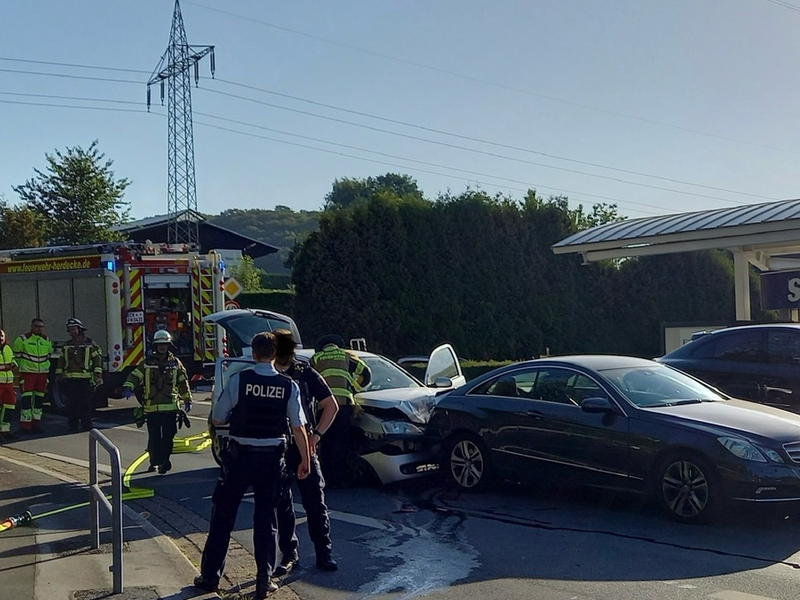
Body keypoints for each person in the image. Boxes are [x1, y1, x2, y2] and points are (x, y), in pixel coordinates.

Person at [194, 332, 311, 600]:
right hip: (271, 460)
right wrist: (305, 460)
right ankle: (263, 581)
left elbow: (219, 418)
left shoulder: (240, 380)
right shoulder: (287, 385)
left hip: (239, 458)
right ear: (273, 354)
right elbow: (298, 426)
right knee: (266, 520)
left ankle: (210, 577)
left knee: (223, 516)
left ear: (253, 353)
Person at [272, 328, 339, 575]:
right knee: (282, 504)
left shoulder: (304, 372)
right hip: (278, 446)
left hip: (303, 446)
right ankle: (289, 556)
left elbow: (330, 405)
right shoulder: (267, 373)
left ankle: (324, 553)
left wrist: (317, 434)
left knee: (315, 502)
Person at [123, 330, 192, 474]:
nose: (162, 347)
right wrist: (128, 387)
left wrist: (187, 399)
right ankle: (154, 461)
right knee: (154, 438)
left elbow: (182, 382)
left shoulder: (175, 363)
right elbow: (135, 376)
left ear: (168, 345)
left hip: (170, 407)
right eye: (160, 344)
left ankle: (164, 461)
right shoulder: (147, 363)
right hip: (152, 408)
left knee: (168, 437)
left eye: (165, 344)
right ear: (156, 345)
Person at [310, 334, 371, 487]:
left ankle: (325, 478)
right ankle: (338, 478)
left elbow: (309, 381)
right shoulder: (347, 355)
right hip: (344, 404)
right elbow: (366, 374)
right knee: (340, 441)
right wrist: (353, 387)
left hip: (323, 406)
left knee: (325, 440)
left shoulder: (317, 358)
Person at [55, 318, 103, 432]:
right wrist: (58, 374)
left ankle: (87, 425)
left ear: (80, 329)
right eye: (70, 329)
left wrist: (97, 375)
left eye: (74, 329)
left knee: (85, 404)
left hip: (85, 380)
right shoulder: (67, 346)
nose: (72, 331)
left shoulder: (90, 343)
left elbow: (97, 359)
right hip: (70, 380)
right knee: (71, 405)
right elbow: (61, 361)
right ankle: (72, 425)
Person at [13, 318, 53, 434]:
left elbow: (48, 356)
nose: (39, 329)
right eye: (36, 326)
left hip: (42, 375)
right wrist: (23, 369)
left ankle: (36, 424)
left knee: (39, 402)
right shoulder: (22, 340)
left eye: (41, 326)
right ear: (31, 326)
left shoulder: (46, 340)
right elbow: (17, 357)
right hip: (28, 374)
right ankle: (25, 426)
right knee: (26, 401)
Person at [0, 330, 18, 441]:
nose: (0, 338)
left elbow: (13, 361)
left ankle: (5, 431)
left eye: (1, 335)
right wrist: (5, 367)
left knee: (10, 406)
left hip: (8, 383)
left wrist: (12, 365)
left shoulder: (7, 348)